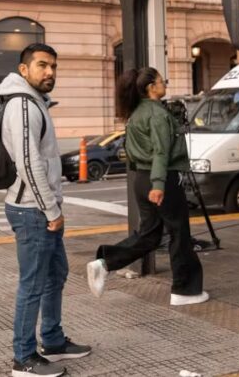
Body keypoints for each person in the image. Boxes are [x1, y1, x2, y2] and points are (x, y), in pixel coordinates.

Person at [0, 43, 90, 377]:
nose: (49, 72)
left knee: (56, 274)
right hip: (32, 211)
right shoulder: (22, 105)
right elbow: (29, 163)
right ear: (24, 70)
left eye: (53, 66)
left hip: (42, 208)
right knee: (33, 284)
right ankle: (23, 358)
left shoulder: (34, 102)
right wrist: (51, 211)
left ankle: (52, 340)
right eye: (42, 65)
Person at [86, 68, 207, 307]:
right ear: (151, 87)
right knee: (179, 233)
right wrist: (159, 184)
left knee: (150, 235)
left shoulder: (135, 114)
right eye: (162, 81)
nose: (166, 84)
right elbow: (161, 152)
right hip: (160, 179)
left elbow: (131, 152)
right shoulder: (157, 114)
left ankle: (104, 263)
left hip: (141, 178)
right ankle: (185, 290)